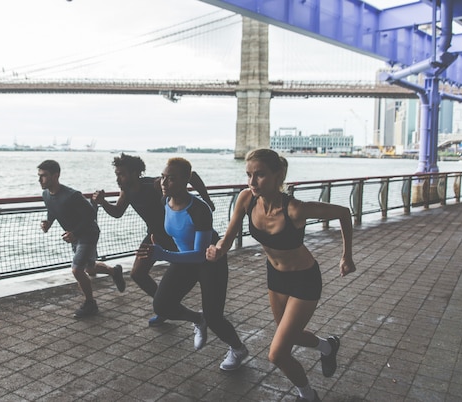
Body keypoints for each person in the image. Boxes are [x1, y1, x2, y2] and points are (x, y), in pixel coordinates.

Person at [206, 149, 356, 402]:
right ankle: (327, 346)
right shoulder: (246, 199)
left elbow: (343, 213)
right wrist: (218, 250)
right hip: (275, 277)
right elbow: (228, 238)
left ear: (279, 176)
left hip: (304, 280)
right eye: (249, 175)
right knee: (292, 336)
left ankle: (308, 395)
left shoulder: (295, 209)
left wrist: (347, 256)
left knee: (277, 353)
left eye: (260, 175)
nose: (252, 182)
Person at [137, 157, 248, 371]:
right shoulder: (165, 202)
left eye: (171, 178)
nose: (164, 182)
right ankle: (198, 319)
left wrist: (164, 254)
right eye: (162, 177)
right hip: (185, 259)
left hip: (209, 261)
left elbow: (199, 255)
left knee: (215, 317)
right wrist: (156, 243)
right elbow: (177, 233)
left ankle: (238, 349)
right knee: (162, 305)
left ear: (185, 181)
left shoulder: (199, 209)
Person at [92, 153, 215, 327]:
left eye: (122, 174)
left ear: (135, 173)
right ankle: (166, 310)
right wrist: (103, 202)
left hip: (174, 236)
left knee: (192, 273)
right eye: (117, 174)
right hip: (154, 236)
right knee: (137, 274)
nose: (118, 178)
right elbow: (118, 212)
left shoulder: (155, 184)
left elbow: (191, 176)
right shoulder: (126, 191)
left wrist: (207, 199)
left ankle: (176, 309)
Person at [37, 159, 125, 318]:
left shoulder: (72, 195)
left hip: (88, 233)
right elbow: (53, 210)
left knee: (77, 269)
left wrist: (75, 233)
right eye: (39, 176)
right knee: (89, 268)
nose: (39, 180)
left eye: (43, 176)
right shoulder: (46, 195)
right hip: (76, 235)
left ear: (56, 175)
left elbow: (91, 215)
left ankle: (90, 304)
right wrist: (48, 222)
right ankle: (114, 271)